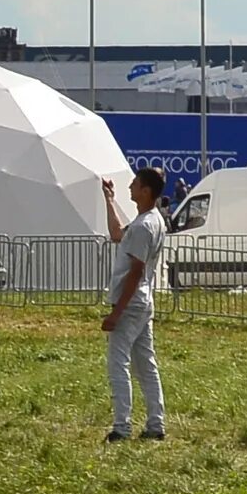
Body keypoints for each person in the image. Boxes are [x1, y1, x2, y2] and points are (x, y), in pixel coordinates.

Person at [99, 167, 168, 443]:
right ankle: (155, 424)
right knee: (146, 365)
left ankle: (122, 426)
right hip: (143, 301)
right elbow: (117, 233)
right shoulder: (151, 220)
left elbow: (135, 270)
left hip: (131, 302)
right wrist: (109, 199)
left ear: (146, 191)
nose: (130, 186)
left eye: (135, 184)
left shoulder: (143, 227)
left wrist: (117, 312)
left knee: (118, 363)